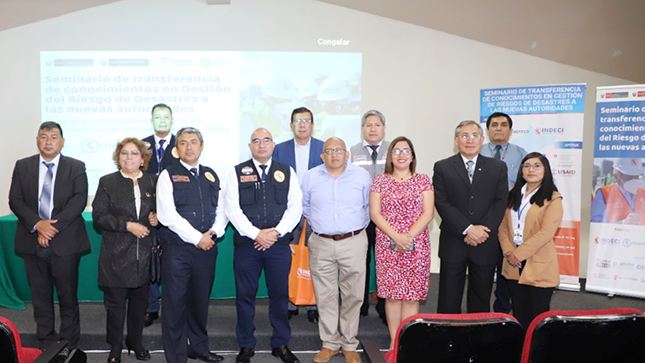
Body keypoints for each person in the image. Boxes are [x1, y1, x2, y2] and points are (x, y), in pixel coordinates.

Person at [8, 121, 90, 350]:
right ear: (37, 140)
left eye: (54, 137)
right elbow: (15, 200)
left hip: (65, 242)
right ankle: (45, 342)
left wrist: (50, 228)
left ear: (62, 142)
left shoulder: (76, 166)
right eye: (44, 137)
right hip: (31, 240)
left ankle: (69, 344)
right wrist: (37, 224)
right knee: (40, 296)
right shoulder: (23, 166)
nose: (48, 141)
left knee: (67, 297)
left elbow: (78, 201)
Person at [225, 128, 302, 363]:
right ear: (249, 146)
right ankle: (246, 345)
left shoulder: (286, 172)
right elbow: (232, 209)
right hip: (248, 246)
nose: (261, 144)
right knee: (245, 296)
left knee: (280, 296)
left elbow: (295, 207)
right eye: (256, 141)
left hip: (278, 246)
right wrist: (256, 234)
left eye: (266, 140)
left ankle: (280, 344)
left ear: (273, 145)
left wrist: (275, 233)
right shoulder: (237, 172)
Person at [156, 127, 228, 363]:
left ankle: (198, 346)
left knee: (199, 302)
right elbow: (167, 215)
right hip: (178, 250)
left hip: (207, 248)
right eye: (183, 143)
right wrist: (198, 238)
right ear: (176, 149)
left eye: (194, 142)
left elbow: (221, 209)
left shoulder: (211, 175)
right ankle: (177, 357)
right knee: (175, 306)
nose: (189, 147)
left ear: (202, 146)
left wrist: (214, 232)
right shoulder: (168, 174)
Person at [301, 137, 372, 363]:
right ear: (322, 155)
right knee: (325, 295)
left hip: (353, 241)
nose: (334, 154)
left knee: (353, 294)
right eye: (329, 151)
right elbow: (306, 207)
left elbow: (368, 208)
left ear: (346, 153)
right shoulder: (311, 176)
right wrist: (324, 229)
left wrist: (350, 230)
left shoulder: (361, 176)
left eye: (339, 150)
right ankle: (330, 343)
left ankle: (350, 343)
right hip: (321, 242)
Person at [92, 138, 158, 363]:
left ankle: (135, 342)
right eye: (124, 153)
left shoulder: (153, 181)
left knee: (140, 306)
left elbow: (162, 212)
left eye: (134, 153)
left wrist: (156, 219)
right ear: (117, 157)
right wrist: (127, 226)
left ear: (142, 158)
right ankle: (115, 347)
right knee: (116, 306)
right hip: (115, 256)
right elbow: (99, 217)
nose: (129, 157)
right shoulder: (107, 182)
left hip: (144, 255)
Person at [433, 120, 508, 314]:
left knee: (481, 298)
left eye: (474, 135)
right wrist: (467, 229)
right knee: (449, 298)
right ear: (456, 140)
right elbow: (442, 202)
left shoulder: (498, 167)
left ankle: (477, 340)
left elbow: (500, 201)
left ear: (482, 139)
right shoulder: (442, 167)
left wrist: (482, 231)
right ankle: (448, 338)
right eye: (464, 136)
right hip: (454, 240)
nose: (470, 140)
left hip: (485, 241)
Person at [370, 136, 434, 351]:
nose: (401, 155)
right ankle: (393, 342)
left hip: (416, 246)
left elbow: (428, 213)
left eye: (406, 151)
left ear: (412, 156)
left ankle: (407, 343)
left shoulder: (423, 180)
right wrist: (396, 237)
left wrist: (407, 238)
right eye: (396, 151)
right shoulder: (380, 181)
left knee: (411, 297)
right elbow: (375, 214)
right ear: (390, 156)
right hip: (387, 245)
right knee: (392, 297)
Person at [498, 152, 563, 330]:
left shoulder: (553, 198)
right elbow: (502, 226)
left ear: (546, 170)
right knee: (519, 314)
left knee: (538, 316)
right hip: (512, 262)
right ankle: (521, 352)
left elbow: (547, 232)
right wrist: (508, 250)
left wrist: (518, 253)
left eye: (536, 166)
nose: (530, 169)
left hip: (537, 261)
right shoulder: (512, 194)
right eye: (526, 166)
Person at [272, 106, 324, 323]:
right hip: (287, 215)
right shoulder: (279, 149)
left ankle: (313, 303)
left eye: (306, 120)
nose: (302, 124)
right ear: (291, 125)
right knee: (290, 260)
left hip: (317, 214)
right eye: (298, 120)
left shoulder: (324, 148)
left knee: (317, 260)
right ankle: (291, 301)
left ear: (312, 125)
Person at [482, 112, 528, 314]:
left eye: (503, 125)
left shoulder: (520, 153)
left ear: (510, 130)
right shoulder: (478, 151)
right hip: (482, 217)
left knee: (507, 263)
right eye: (494, 125)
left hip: (510, 217)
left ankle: (502, 308)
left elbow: (525, 184)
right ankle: (481, 309)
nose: (498, 128)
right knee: (483, 265)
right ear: (488, 129)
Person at [349, 109, 390, 320]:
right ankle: (361, 305)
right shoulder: (352, 151)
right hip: (361, 217)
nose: (373, 129)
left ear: (384, 128)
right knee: (360, 262)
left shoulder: (393, 150)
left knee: (385, 261)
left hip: (387, 219)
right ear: (363, 128)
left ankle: (384, 307)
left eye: (377, 125)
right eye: (368, 125)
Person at [141, 103, 177, 327]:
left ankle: (172, 307)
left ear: (172, 120)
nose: (162, 121)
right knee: (150, 261)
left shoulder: (181, 143)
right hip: (147, 214)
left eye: (166, 117)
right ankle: (151, 307)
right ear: (151, 121)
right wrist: (150, 212)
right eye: (157, 117)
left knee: (172, 263)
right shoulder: (141, 145)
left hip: (175, 215)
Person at [591, 158, 645, 225]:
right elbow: (595, 224)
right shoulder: (604, 194)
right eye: (629, 177)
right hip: (615, 235)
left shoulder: (643, 193)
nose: (634, 180)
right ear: (616, 177)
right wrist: (622, 223)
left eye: (636, 176)